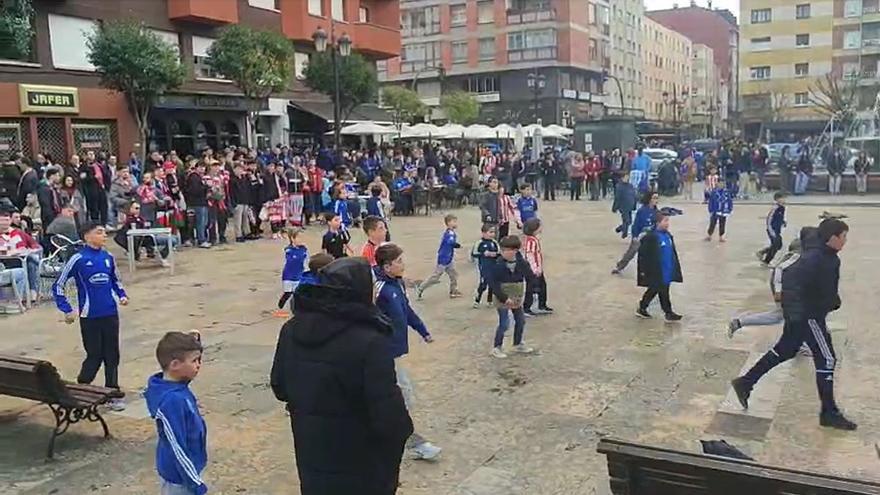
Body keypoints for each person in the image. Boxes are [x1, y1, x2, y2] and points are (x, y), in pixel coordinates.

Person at [270, 257, 414, 495]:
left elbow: (280, 386)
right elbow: (389, 416)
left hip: (312, 447)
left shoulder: (292, 329)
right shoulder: (370, 341)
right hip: (361, 457)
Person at [731, 219, 857, 431]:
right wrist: (798, 313)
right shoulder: (814, 258)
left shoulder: (826, 255)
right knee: (827, 359)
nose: (845, 241)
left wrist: (831, 300)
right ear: (833, 237)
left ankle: (745, 382)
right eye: (843, 237)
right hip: (808, 315)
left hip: (805, 314)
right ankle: (829, 413)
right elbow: (791, 280)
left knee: (784, 350)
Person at [373, 243, 442, 462]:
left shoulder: (398, 284)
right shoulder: (379, 289)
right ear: (386, 266)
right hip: (384, 352)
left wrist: (423, 331)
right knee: (402, 396)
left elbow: (406, 310)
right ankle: (413, 441)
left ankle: (402, 435)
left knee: (403, 396)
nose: (403, 265)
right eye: (399, 261)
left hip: (395, 350)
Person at [53, 221, 128, 411]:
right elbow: (59, 285)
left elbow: (115, 280)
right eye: (100, 232)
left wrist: (122, 295)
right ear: (87, 236)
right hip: (90, 315)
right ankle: (82, 385)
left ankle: (113, 391)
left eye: (104, 232)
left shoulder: (108, 257)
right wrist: (67, 308)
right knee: (95, 354)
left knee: (112, 354)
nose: (104, 236)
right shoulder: (77, 259)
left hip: (110, 313)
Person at [144, 331, 208, 495]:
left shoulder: (172, 384)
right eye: (194, 361)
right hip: (181, 478)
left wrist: (190, 342)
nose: (198, 365)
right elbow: (176, 446)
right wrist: (194, 481)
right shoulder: (172, 401)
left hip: (186, 470)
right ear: (174, 365)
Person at [729, 236, 805, 339]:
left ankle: (739, 322)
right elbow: (779, 268)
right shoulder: (796, 255)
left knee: (781, 315)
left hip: (784, 285)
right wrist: (778, 290)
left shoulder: (800, 256)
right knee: (789, 315)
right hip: (780, 285)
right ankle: (800, 344)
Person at [487, 235, 536, 359]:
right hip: (502, 297)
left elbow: (530, 277)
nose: (507, 253)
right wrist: (504, 298)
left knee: (520, 320)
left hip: (517, 295)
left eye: (510, 250)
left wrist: (532, 290)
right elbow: (493, 283)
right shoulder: (496, 264)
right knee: (504, 323)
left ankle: (518, 343)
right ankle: (497, 347)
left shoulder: (521, 263)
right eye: (504, 250)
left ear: (516, 250)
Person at [635, 211, 683, 322]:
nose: (667, 223)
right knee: (657, 289)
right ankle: (665, 311)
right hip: (657, 270)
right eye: (665, 221)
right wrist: (644, 271)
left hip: (667, 269)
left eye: (668, 221)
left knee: (661, 290)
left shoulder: (668, 236)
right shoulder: (651, 237)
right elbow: (644, 255)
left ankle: (660, 310)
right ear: (657, 222)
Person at [416, 214, 462, 300]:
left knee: (454, 275)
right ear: (448, 223)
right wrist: (457, 245)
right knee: (435, 277)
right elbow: (450, 242)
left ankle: (453, 291)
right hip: (444, 259)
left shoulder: (451, 232)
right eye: (454, 221)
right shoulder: (449, 233)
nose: (456, 223)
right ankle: (420, 288)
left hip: (449, 259)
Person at [612, 191, 658, 274]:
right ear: (649, 199)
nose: (656, 200)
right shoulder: (642, 211)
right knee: (631, 253)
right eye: (654, 198)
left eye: (657, 198)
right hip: (640, 236)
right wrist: (635, 236)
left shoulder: (656, 212)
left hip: (651, 237)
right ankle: (619, 267)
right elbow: (636, 225)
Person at [521, 218, 552, 316]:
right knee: (532, 288)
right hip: (532, 269)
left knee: (542, 286)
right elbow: (530, 256)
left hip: (537, 268)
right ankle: (527, 307)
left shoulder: (534, 239)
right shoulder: (531, 241)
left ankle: (541, 305)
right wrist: (535, 269)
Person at [274, 227, 309, 316]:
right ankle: (279, 308)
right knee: (288, 293)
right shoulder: (289, 250)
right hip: (289, 275)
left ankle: (298, 309)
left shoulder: (304, 249)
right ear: (292, 239)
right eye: (299, 238)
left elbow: (306, 260)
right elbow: (292, 259)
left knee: (298, 293)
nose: (301, 240)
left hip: (299, 274)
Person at [471, 223, 499, 309]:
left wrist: (495, 254)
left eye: (493, 232)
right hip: (483, 267)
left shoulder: (494, 243)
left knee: (492, 284)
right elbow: (474, 253)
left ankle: (489, 300)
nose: (492, 234)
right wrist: (484, 254)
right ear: (483, 233)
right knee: (483, 284)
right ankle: (477, 300)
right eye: (490, 232)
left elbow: (499, 253)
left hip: (493, 266)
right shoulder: (480, 243)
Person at [184, 162, 211, 248]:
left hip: (201, 202)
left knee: (201, 222)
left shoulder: (199, 177)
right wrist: (206, 187)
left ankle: (199, 239)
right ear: (196, 168)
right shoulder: (194, 177)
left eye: (204, 167)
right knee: (200, 223)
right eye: (200, 167)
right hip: (197, 203)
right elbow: (195, 190)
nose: (202, 169)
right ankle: (201, 240)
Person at [757, 192, 787, 265]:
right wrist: (771, 231)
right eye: (782, 198)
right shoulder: (775, 208)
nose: (784, 200)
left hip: (777, 230)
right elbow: (769, 219)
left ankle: (762, 252)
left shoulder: (782, 208)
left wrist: (783, 222)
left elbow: (780, 217)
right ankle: (766, 261)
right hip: (772, 230)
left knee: (779, 245)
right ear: (777, 199)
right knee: (775, 245)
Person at [611, 174, 637, 239]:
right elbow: (617, 197)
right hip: (623, 206)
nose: (627, 179)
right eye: (625, 177)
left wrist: (634, 205)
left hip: (630, 205)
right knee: (626, 220)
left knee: (629, 221)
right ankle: (624, 233)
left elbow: (634, 196)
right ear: (622, 178)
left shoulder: (630, 186)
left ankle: (620, 228)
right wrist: (615, 207)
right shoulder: (619, 186)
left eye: (628, 177)